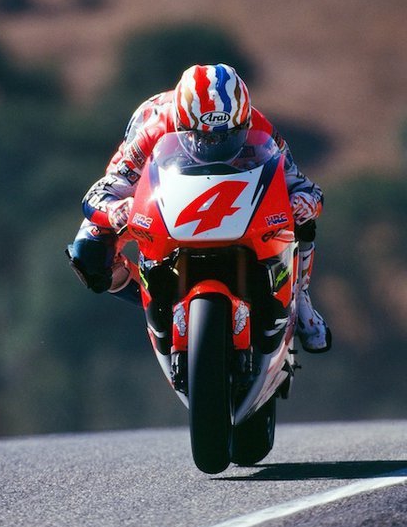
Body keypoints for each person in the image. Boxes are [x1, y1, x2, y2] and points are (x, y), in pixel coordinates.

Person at [67, 63, 331, 353]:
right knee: (88, 253)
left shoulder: (260, 125)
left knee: (301, 217)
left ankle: (300, 299)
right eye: (203, 137)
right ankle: (154, 299)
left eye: (229, 135)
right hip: (159, 195)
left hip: (234, 195)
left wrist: (304, 201)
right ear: (181, 124)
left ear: (243, 122)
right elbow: (101, 191)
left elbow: (302, 185)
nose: (215, 145)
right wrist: (116, 209)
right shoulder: (155, 129)